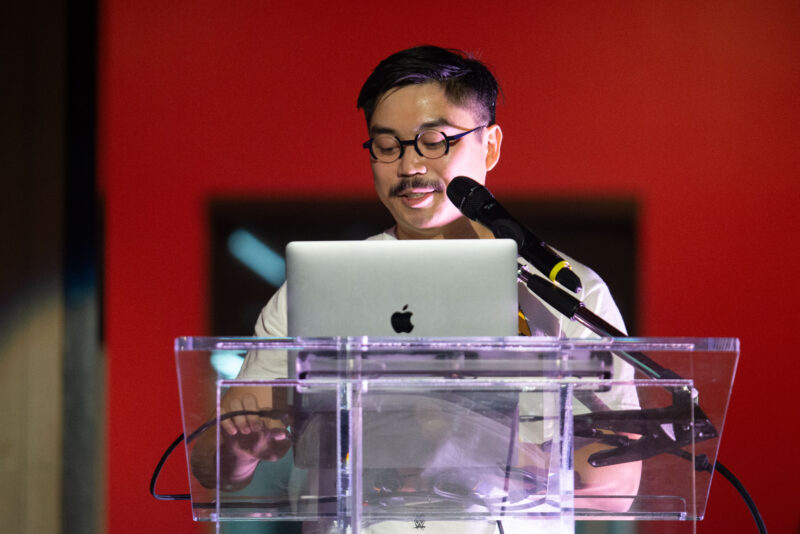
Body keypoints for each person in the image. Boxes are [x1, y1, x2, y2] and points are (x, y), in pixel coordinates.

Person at [191, 45, 641, 532]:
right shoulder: (317, 287)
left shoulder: (566, 294)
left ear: (489, 145)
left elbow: (618, 490)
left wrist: (473, 447)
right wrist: (236, 447)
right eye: (387, 146)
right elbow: (217, 470)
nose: (408, 167)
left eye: (432, 141)